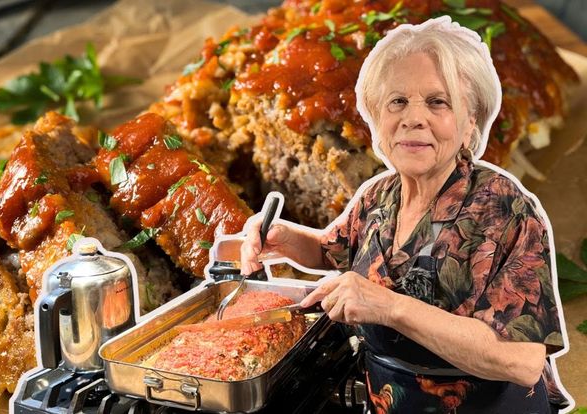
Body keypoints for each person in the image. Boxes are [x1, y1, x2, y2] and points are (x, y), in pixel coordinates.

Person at [240, 16, 571, 414]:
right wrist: (288, 239)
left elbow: (521, 361)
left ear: (469, 124)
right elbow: (339, 253)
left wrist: (389, 306)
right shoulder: (380, 195)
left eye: (437, 101)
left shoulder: (504, 207)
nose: (413, 117)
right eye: (397, 101)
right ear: (377, 120)